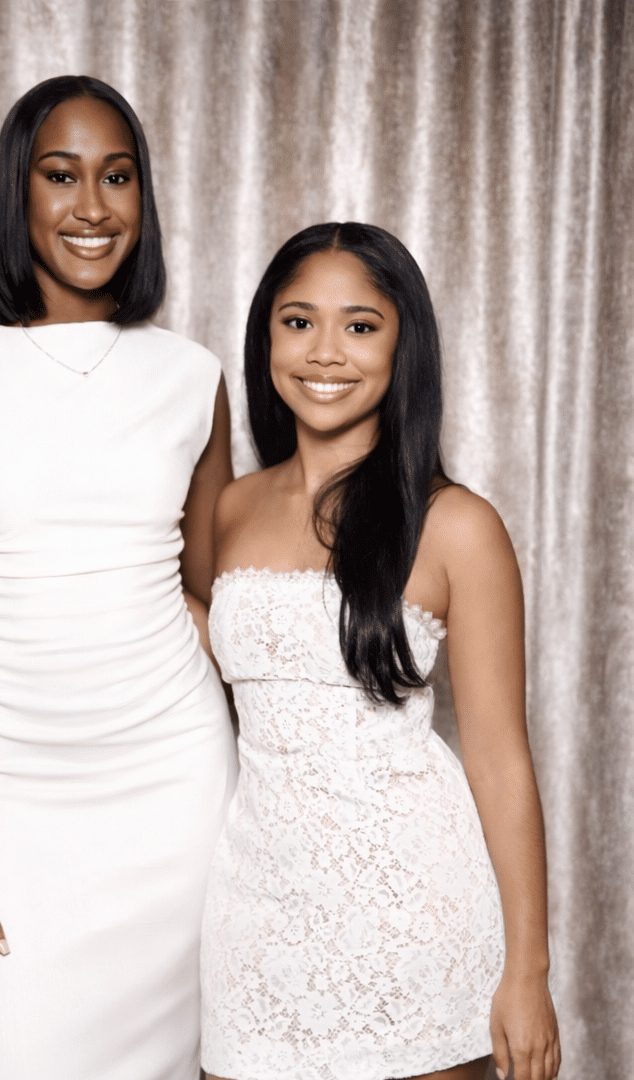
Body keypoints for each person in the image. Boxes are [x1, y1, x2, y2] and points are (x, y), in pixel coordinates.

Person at [0, 75, 237, 1080]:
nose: (93, 206)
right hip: (6, 797)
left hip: (176, 795)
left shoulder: (193, 377)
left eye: (117, 177)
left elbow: (213, 602)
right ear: (18, 193)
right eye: (62, 176)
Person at [199, 223, 560, 1080]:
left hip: (412, 922)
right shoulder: (232, 509)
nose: (326, 352)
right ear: (266, 339)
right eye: (298, 322)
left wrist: (528, 973)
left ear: (405, 346)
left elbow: (503, 760)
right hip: (254, 921)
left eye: (360, 326)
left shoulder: (457, 525)